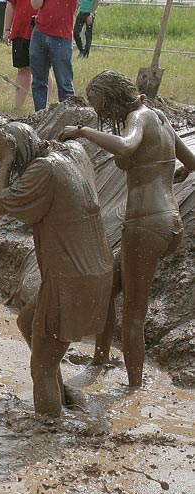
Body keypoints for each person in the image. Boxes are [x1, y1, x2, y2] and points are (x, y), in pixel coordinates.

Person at [59, 70, 195, 387]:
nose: (103, 116)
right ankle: (100, 359)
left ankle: (134, 388)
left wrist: (83, 131)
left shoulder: (138, 118)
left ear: (113, 100)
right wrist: (174, 174)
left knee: (134, 313)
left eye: (101, 108)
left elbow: (125, 146)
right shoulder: (159, 117)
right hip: (169, 222)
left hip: (144, 225)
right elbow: (192, 163)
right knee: (106, 287)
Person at [0, 123, 112, 415]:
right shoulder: (73, 153)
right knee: (27, 322)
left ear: (14, 149)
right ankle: (64, 395)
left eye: (0, 152)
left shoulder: (43, 169)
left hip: (69, 277)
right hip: (93, 269)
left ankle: (49, 431)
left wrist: (7, 163)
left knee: (40, 370)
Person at [28, 0, 76, 111]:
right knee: (38, 82)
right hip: (40, 31)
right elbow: (36, 5)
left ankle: (69, 116)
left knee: (65, 84)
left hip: (62, 35)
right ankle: (40, 116)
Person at [3, 0, 39, 112]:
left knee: (41, 71)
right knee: (22, 69)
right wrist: (7, 29)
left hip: (40, 31)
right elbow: (10, 5)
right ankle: (18, 108)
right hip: (20, 31)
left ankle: (42, 108)